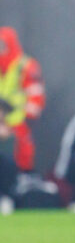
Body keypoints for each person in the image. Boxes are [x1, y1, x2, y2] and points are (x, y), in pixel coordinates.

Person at [0, 27, 45, 183]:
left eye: (3, 45)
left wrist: (10, 123)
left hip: (20, 122)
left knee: (23, 150)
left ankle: (19, 184)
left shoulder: (26, 66)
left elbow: (35, 103)